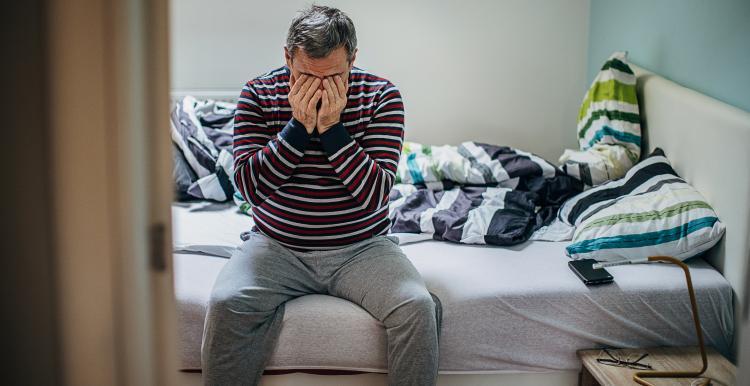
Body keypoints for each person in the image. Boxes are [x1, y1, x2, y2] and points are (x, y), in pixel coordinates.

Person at [201, 5, 441, 386]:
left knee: (417, 306)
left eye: (332, 77)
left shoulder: (382, 96)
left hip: (361, 247)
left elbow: (375, 194)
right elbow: (249, 188)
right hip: (276, 245)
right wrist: (297, 127)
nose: (318, 88)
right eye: (304, 76)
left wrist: (331, 128)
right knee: (226, 303)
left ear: (353, 59)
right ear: (286, 58)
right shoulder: (258, 93)